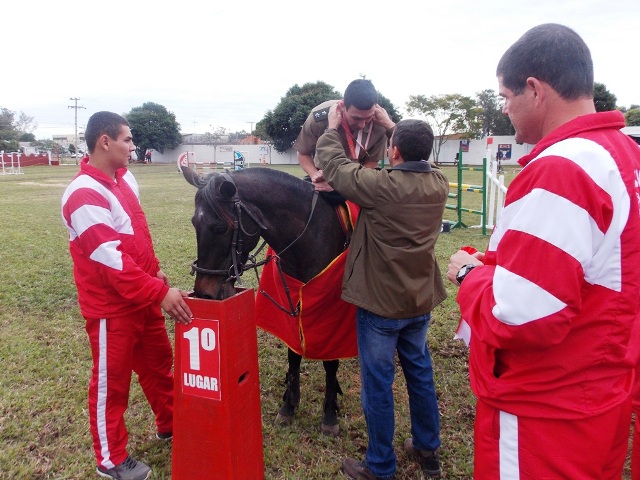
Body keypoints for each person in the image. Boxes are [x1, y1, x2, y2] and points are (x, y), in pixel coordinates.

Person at [446, 24, 640, 479]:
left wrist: (469, 277)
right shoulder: (623, 155)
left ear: (534, 90)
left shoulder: (562, 169)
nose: (505, 109)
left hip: (544, 408)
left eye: (505, 97)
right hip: (597, 388)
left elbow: (521, 315)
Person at [315, 110, 449, 480]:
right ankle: (427, 448)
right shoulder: (439, 183)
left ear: (394, 152)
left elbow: (338, 167)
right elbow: (424, 160)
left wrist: (329, 129)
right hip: (419, 300)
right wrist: (395, 129)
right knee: (420, 373)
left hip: (381, 306)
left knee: (378, 382)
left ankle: (380, 466)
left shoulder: (381, 185)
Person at [61, 111, 193, 480]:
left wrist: (155, 273)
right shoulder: (84, 194)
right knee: (111, 382)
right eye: (128, 140)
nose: (134, 147)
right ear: (105, 142)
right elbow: (111, 261)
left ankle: (169, 425)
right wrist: (160, 292)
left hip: (142, 297)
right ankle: (110, 459)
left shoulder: (122, 180)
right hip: (111, 308)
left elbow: (134, 238)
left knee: (158, 366)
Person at [269, 78, 396, 437]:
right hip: (317, 182)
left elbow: (371, 164)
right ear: (343, 107)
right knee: (281, 242)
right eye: (356, 118)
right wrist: (315, 177)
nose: (361, 124)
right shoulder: (318, 116)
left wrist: (350, 184)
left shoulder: (378, 124)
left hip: (354, 185)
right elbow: (304, 155)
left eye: (367, 118)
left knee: (367, 238)